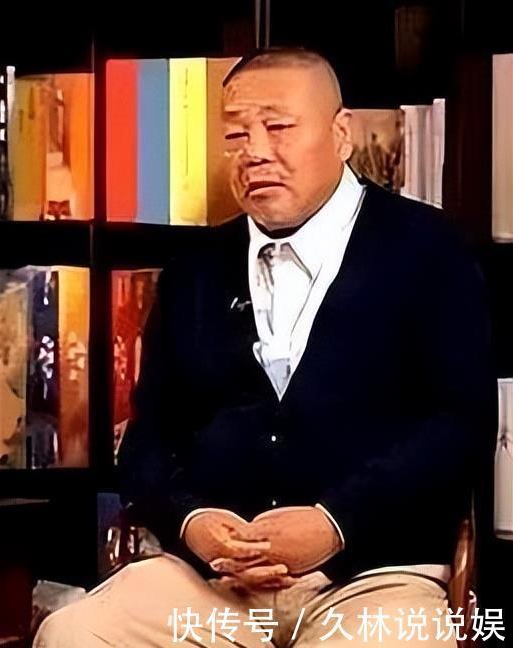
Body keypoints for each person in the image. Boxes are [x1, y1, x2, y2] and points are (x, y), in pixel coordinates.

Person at [35, 48, 494, 647]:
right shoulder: (195, 270)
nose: (254, 151)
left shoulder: (429, 251)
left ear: (341, 134)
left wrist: (334, 524)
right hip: (211, 585)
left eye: (278, 127)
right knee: (76, 633)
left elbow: (461, 428)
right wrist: (193, 522)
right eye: (236, 134)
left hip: (372, 580)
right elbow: (149, 439)